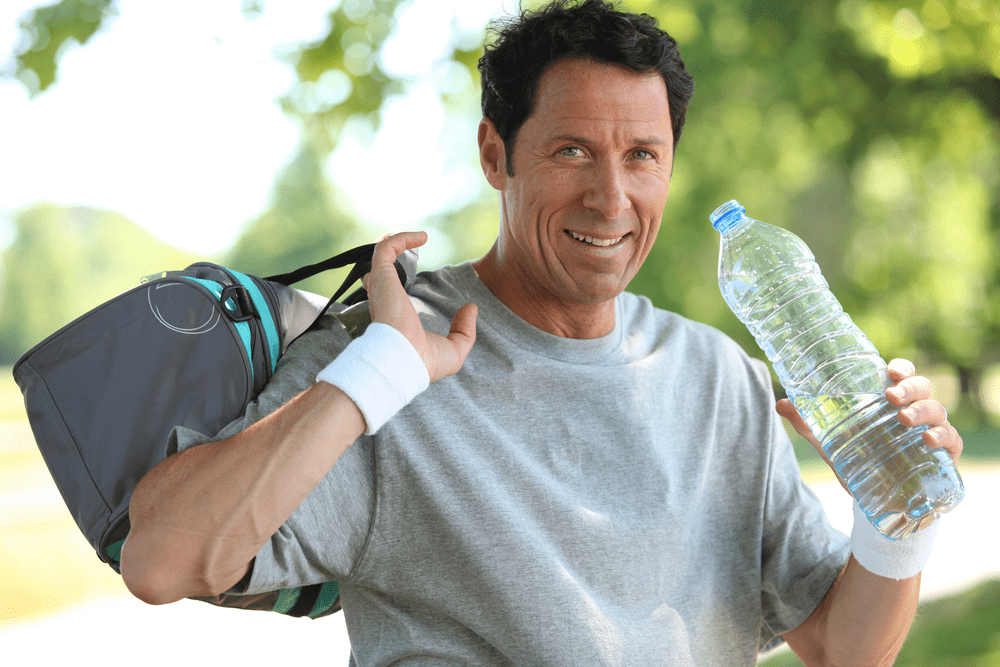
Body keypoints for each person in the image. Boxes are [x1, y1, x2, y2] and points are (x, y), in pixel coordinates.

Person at [120, 1, 963, 665]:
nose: (611, 197)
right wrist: (369, 382)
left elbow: (846, 649)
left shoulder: (721, 378)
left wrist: (899, 513)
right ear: (497, 155)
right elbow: (161, 560)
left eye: (642, 155)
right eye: (570, 151)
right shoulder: (386, 353)